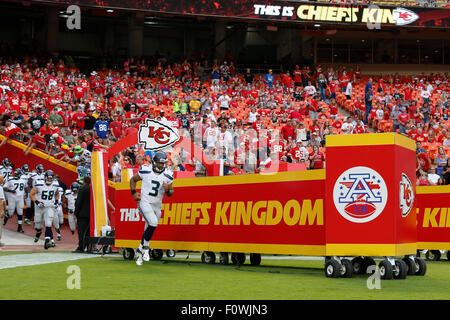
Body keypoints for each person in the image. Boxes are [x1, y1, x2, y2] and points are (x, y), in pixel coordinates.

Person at [129, 151, 174, 266]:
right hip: (145, 202)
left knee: (148, 228)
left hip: (157, 205)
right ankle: (146, 247)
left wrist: (167, 189)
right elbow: (133, 179)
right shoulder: (145, 170)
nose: (160, 165)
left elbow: (171, 193)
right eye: (158, 163)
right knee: (153, 223)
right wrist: (134, 193)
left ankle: (139, 252)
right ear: (154, 162)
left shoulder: (168, 174)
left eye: (162, 163)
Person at [29, 170, 61, 249]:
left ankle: (46, 242)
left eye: (51, 178)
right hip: (39, 207)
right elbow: (31, 194)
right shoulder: (39, 184)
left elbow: (57, 194)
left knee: (48, 224)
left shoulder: (55, 185)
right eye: (48, 178)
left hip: (49, 207)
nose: (50, 179)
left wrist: (56, 201)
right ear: (45, 177)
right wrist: (37, 202)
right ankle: (38, 232)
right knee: (38, 225)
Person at [3, 169, 28, 233]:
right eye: (15, 174)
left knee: (20, 212)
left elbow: (26, 187)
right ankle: (5, 219)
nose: (15, 175)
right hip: (12, 198)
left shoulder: (23, 180)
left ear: (19, 175)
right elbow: (4, 187)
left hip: (20, 198)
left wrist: (26, 193)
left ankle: (19, 227)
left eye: (16, 174)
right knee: (10, 213)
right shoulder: (10, 180)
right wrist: (11, 191)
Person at [73, 176, 91, 253]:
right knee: (88, 232)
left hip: (82, 214)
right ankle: (89, 247)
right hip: (90, 214)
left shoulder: (82, 189)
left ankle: (81, 247)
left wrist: (75, 213)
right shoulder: (92, 189)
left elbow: (78, 202)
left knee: (81, 232)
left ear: (84, 181)